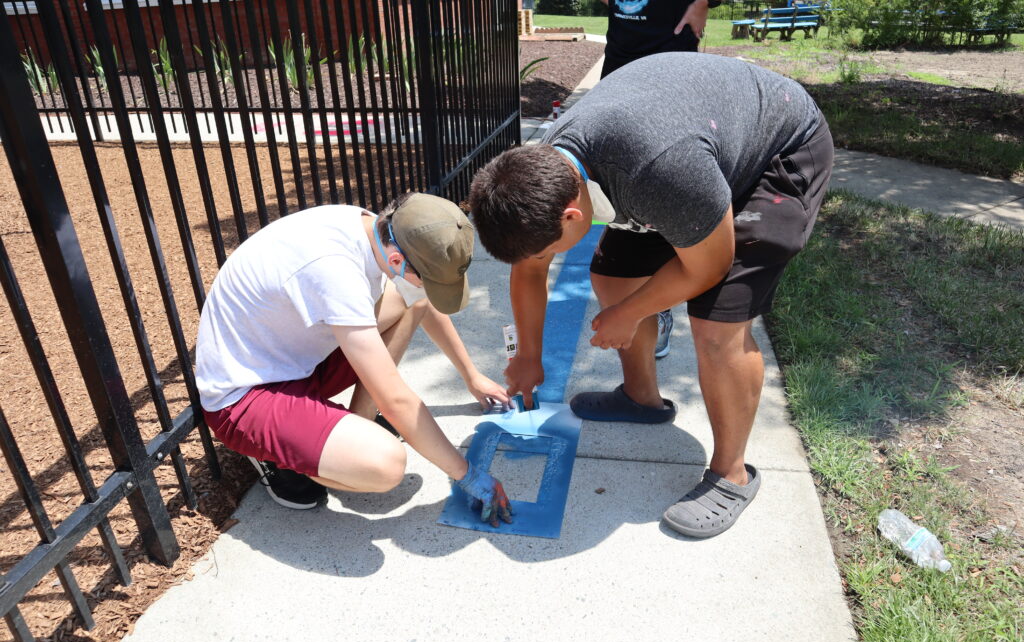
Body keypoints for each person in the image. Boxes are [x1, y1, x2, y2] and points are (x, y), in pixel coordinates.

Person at [468, 53, 833, 538]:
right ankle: (641, 399)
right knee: (614, 278)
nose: (541, 262)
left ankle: (732, 474)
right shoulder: (542, 171)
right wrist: (529, 357)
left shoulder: (661, 173)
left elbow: (710, 265)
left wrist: (632, 313)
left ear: (573, 216)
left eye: (548, 251)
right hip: (686, 150)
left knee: (717, 326)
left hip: (777, 150)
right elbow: (528, 270)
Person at [196, 193, 513, 526]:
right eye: (428, 279)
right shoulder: (335, 272)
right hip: (247, 397)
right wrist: (468, 475)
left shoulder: (376, 228)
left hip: (292, 357)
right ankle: (278, 457)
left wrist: (471, 375)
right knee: (384, 464)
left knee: (411, 299)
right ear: (396, 262)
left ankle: (350, 428)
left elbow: (422, 300)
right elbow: (396, 401)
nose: (430, 289)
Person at [600, 0, 723, 358]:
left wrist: (701, 3)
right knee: (619, 156)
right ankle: (635, 265)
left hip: (671, 48)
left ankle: (660, 305)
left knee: (668, 164)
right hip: (621, 53)